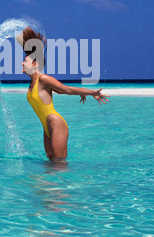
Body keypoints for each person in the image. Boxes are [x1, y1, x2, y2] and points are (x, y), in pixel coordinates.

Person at [17, 27, 109, 162]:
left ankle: (70, 183)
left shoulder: (43, 79)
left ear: (35, 64)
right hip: (46, 127)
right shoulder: (31, 85)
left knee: (59, 165)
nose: (22, 63)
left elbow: (65, 89)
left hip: (56, 125)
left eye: (25, 61)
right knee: (50, 164)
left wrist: (90, 92)